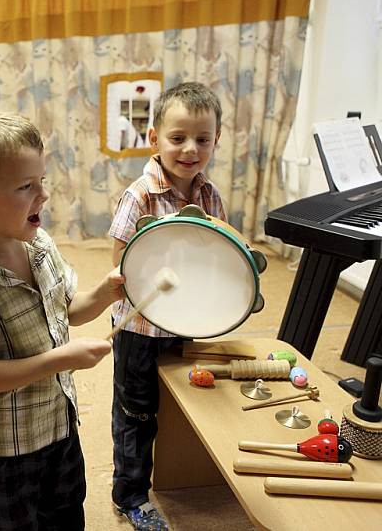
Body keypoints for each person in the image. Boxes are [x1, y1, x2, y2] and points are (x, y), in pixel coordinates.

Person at [0, 109, 126, 531]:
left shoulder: (39, 245)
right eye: (25, 186)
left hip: (58, 424)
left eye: (42, 181)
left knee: (67, 511)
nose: (42, 195)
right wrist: (62, 360)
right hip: (6, 448)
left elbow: (68, 309)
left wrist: (105, 293)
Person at [108, 82, 227, 530]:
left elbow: (218, 256)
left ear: (217, 139)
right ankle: (131, 494)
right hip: (141, 329)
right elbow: (119, 262)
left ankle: (174, 478)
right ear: (155, 136)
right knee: (136, 413)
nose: (190, 148)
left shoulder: (210, 195)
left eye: (202, 138)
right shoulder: (139, 195)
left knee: (179, 407)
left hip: (187, 323)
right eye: (178, 138)